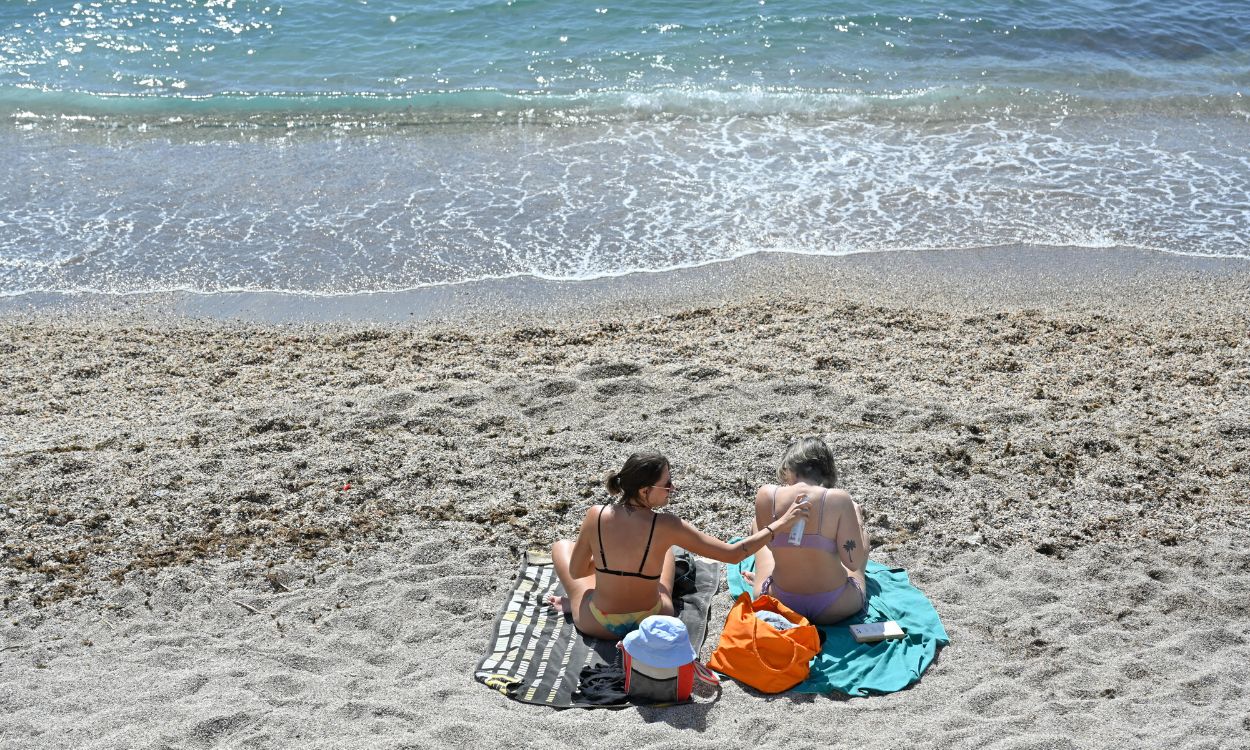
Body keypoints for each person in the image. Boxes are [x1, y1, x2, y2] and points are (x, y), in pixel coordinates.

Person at [548, 451, 810, 640]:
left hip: (598, 624)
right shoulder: (668, 525)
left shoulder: (596, 514)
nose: (672, 489)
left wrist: (611, 565)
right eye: (667, 484)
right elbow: (732, 554)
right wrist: (781, 524)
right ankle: (597, 591)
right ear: (643, 491)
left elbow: (578, 571)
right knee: (665, 553)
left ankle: (575, 603)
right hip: (653, 619)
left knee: (562, 546)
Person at [744, 437, 871, 624]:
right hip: (835, 606)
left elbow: (770, 547)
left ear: (790, 468)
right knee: (860, 546)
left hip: (781, 602)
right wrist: (857, 519)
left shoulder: (766, 495)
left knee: (759, 528)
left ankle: (763, 577)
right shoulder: (839, 499)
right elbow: (852, 562)